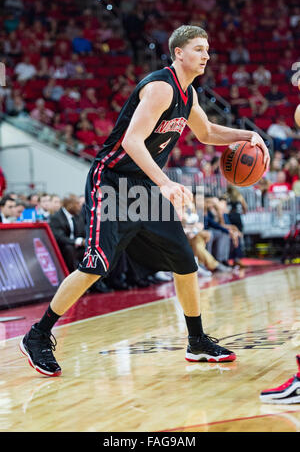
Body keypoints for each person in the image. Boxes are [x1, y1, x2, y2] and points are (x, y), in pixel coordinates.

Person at [20, 24, 269, 377]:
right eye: (199, 49)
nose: (207, 55)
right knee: (95, 265)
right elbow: (132, 142)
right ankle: (38, 335)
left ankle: (196, 342)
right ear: (178, 53)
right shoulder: (159, 87)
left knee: (185, 262)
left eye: (208, 49)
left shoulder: (189, 94)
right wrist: (166, 182)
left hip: (144, 187)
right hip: (112, 182)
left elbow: (207, 132)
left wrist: (249, 135)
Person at [49, 194, 85, 273]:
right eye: (77, 203)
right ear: (70, 205)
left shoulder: (78, 216)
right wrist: (77, 241)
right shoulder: (56, 217)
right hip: (63, 247)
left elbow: (83, 232)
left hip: (77, 247)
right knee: (69, 249)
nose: (80, 206)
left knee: (91, 250)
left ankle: (94, 282)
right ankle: (71, 277)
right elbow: (60, 238)